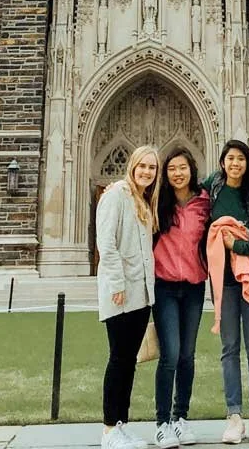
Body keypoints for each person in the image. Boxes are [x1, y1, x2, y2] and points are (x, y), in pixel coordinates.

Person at [203, 140, 249, 446]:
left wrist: (238, 246)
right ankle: (234, 417)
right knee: (229, 348)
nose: (235, 164)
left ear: (248, 163)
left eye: (241, 159)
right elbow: (182, 195)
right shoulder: (213, 189)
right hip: (224, 281)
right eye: (230, 158)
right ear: (222, 162)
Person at [97, 145, 160, 449]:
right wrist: (117, 284)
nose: (147, 171)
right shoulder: (116, 195)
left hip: (142, 293)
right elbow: (106, 243)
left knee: (129, 362)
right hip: (122, 292)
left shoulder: (144, 202)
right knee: (119, 359)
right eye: (142, 166)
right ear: (132, 166)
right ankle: (109, 430)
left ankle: (121, 425)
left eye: (152, 167)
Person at [151, 148, 211, 448]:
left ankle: (180, 419)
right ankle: (161, 423)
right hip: (164, 288)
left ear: (192, 170)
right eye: (172, 168)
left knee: (188, 355)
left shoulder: (204, 202)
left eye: (182, 167)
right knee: (170, 355)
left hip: (194, 288)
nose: (177, 173)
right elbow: (132, 194)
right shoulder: (157, 203)